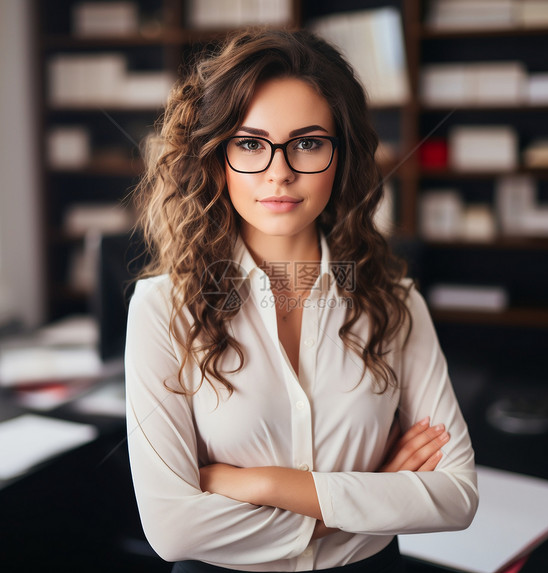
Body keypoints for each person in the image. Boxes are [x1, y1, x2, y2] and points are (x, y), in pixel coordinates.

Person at [125, 28, 478, 572]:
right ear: (217, 157)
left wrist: (263, 484)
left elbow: (456, 496)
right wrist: (371, 496)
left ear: (342, 157)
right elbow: (172, 530)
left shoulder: (395, 304)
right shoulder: (162, 310)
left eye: (308, 143)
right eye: (250, 143)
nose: (280, 172)